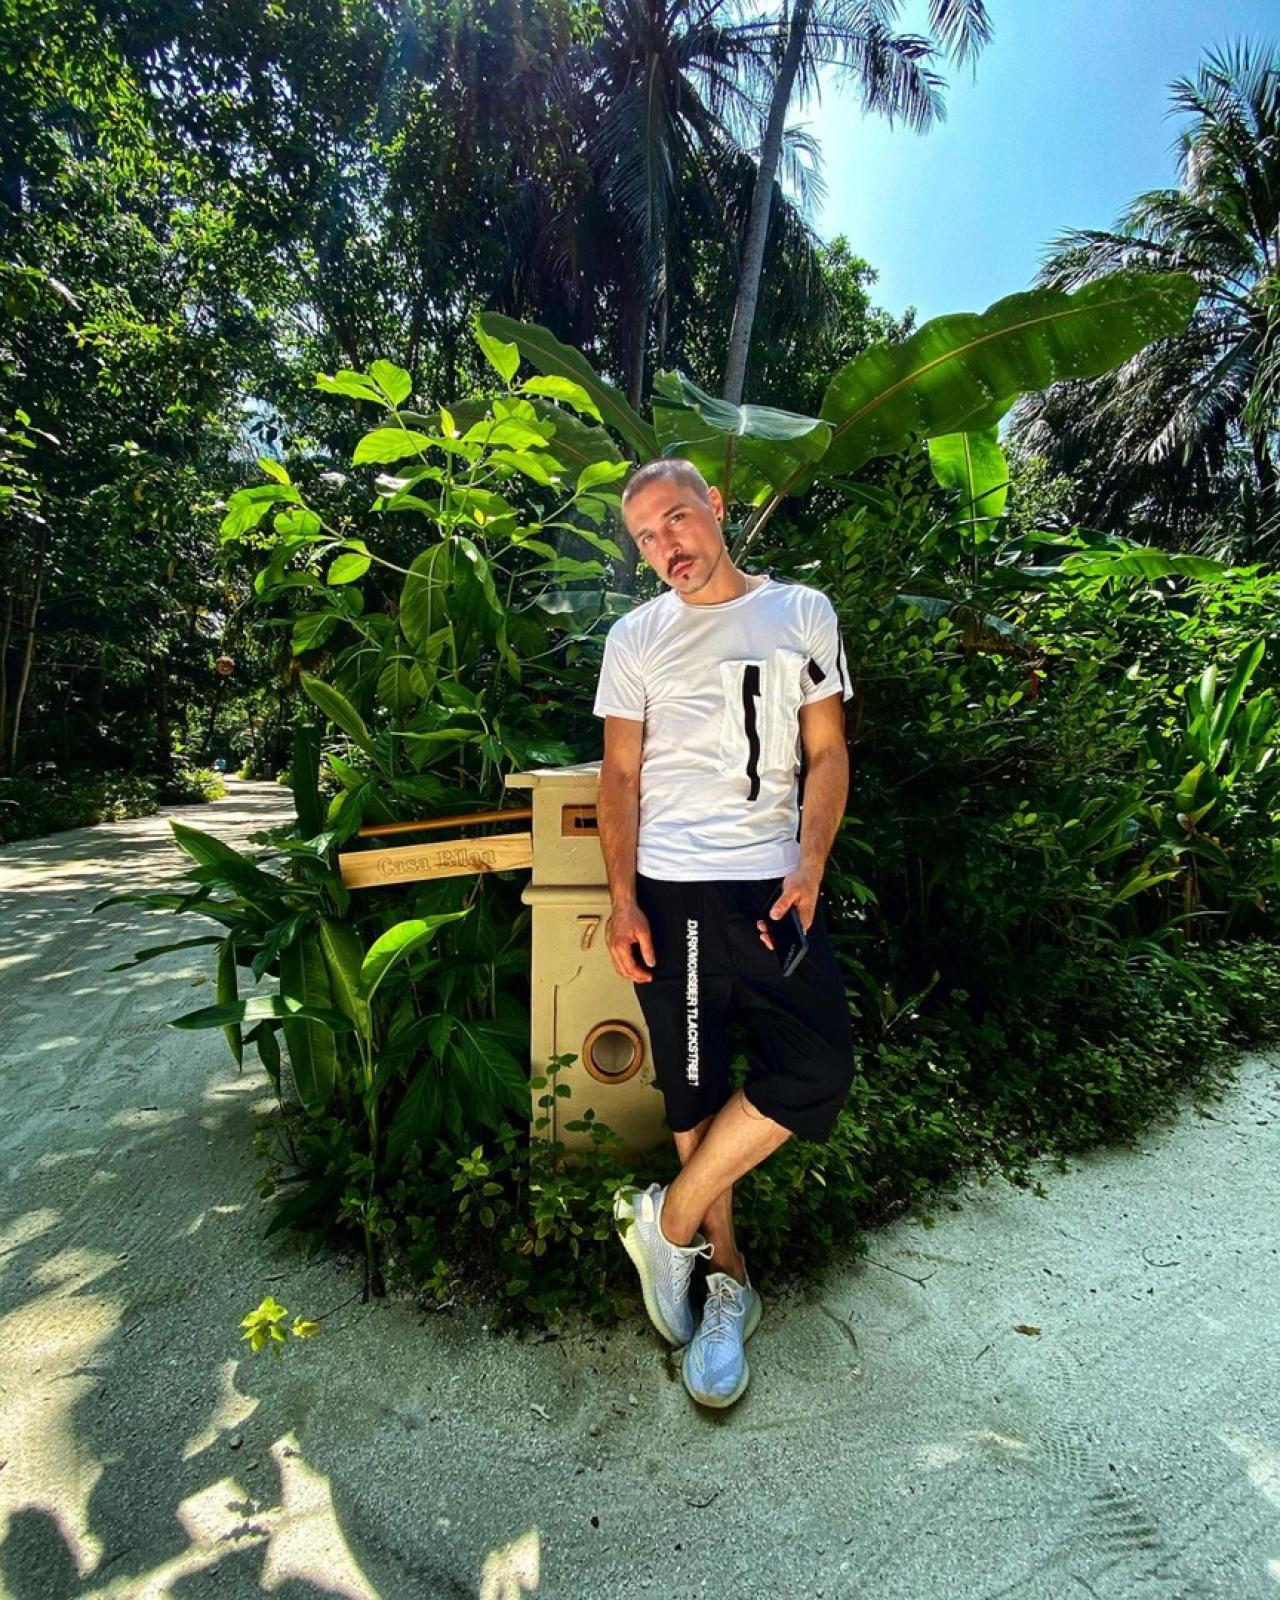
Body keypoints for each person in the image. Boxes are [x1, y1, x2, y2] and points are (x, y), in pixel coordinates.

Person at [592, 456, 857, 1409]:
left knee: (819, 1064)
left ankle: (668, 1223)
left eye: (675, 519)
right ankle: (724, 1284)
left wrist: (811, 861)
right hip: (672, 895)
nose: (665, 546)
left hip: (773, 890)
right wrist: (623, 899)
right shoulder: (635, 636)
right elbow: (619, 777)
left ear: (715, 506)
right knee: (694, 1090)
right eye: (645, 538)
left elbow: (827, 752)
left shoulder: (801, 612)